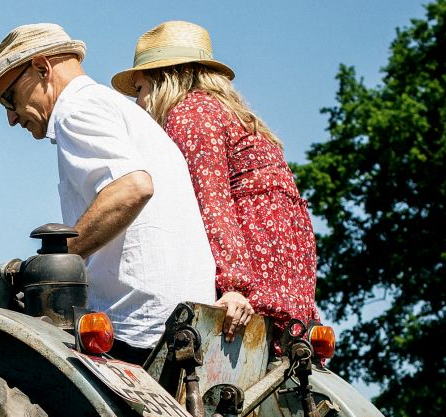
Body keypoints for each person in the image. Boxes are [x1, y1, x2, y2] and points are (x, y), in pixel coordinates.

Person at [0, 23, 216, 362]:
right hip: (184, 320)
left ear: (41, 68)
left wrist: (57, 262)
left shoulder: (74, 110)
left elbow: (132, 187)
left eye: (9, 98)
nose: (10, 117)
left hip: (135, 326)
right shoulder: (120, 110)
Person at [111, 20, 318, 329]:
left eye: (140, 89)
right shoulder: (233, 115)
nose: (139, 104)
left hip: (249, 277)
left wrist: (234, 286)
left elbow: (212, 200)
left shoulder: (190, 114)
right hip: (285, 281)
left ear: (166, 78)